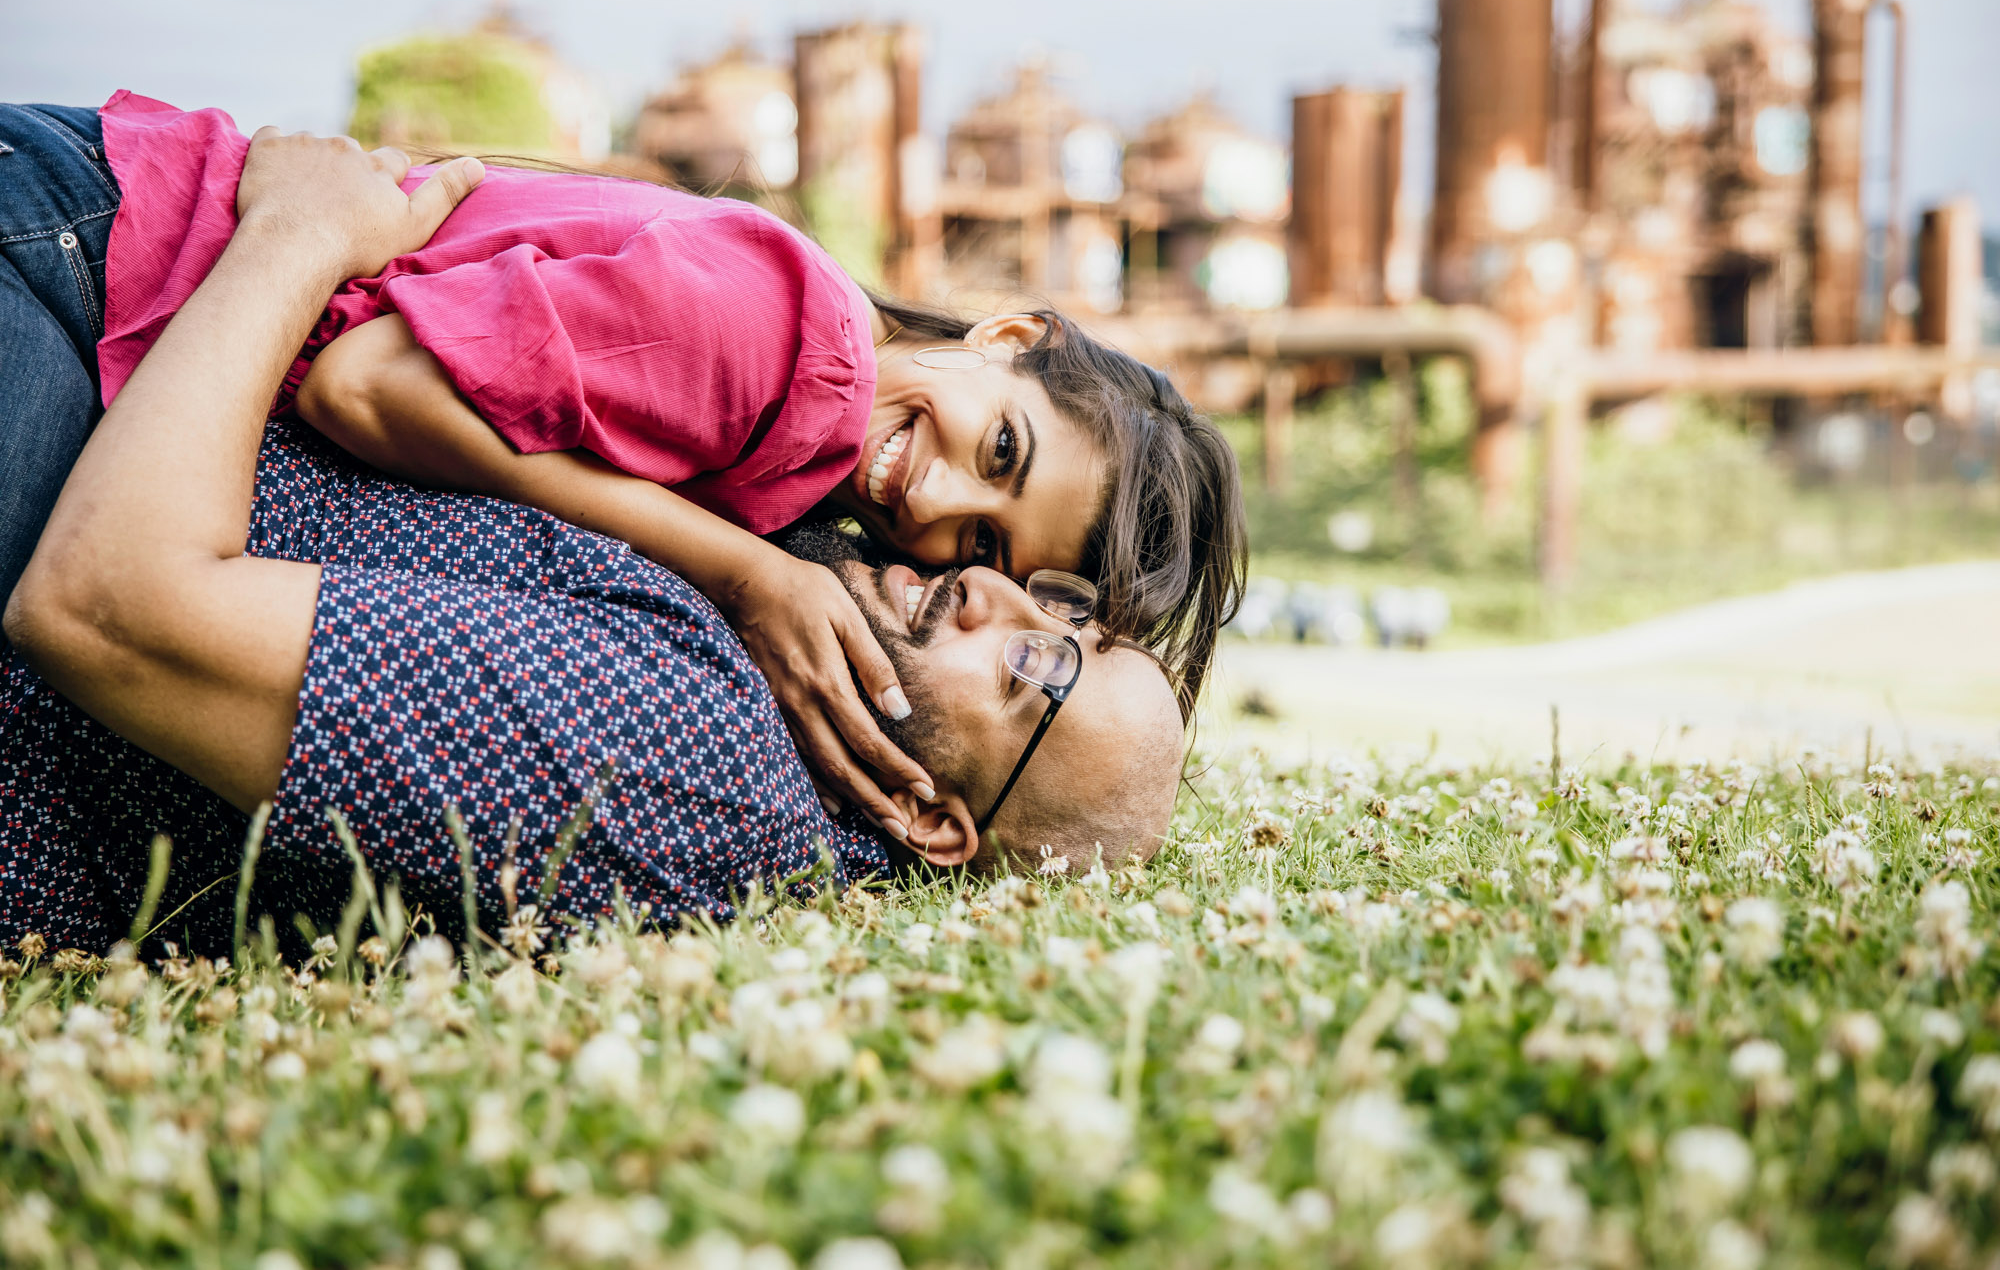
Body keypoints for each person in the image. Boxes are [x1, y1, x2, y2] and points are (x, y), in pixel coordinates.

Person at [0, 126, 1185, 955]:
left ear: (935, 819)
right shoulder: (787, 413)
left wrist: (301, 231)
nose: (977, 581)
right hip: (106, 245)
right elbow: (375, 387)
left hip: (109, 311)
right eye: (1055, 605)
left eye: (1040, 661)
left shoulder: (690, 749)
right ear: (1007, 335)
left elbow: (109, 602)